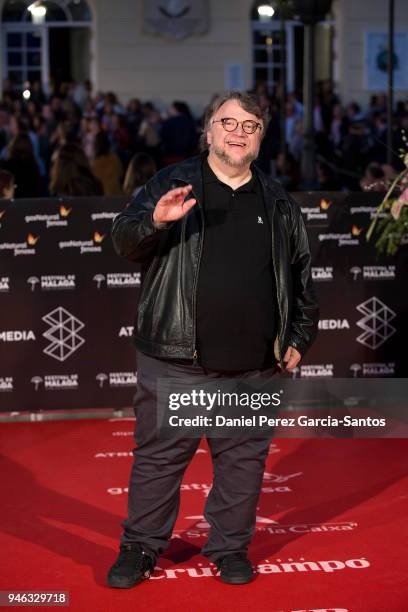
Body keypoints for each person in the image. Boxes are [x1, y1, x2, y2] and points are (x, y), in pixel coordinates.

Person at [108, 91, 319, 588]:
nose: (238, 132)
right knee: (160, 461)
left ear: (261, 137)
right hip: (177, 361)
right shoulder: (174, 182)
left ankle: (229, 547)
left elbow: (301, 279)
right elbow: (122, 239)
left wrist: (299, 335)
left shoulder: (279, 201)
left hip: (253, 365)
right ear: (209, 130)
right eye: (228, 122)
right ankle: (141, 547)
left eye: (250, 125)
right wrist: (155, 221)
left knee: (242, 463)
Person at [91, 131, 123, 196]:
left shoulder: (96, 162)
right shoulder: (115, 158)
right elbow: (121, 172)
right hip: (117, 196)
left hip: (103, 199)